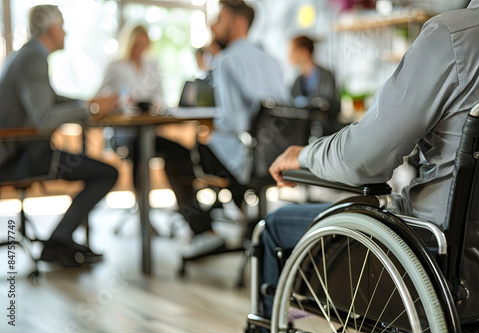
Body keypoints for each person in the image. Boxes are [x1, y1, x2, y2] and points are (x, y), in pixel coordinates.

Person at [260, 0, 479, 321]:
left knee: (273, 226)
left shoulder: (454, 36)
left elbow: (364, 158)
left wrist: (305, 155)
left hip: (434, 264)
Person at [161, 0, 290, 257]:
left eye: (220, 18)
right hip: (278, 156)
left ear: (239, 23)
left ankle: (204, 232)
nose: (212, 24)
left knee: (172, 154)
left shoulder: (226, 60)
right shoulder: (272, 60)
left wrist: (209, 130)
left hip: (244, 160)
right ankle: (245, 220)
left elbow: (232, 123)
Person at [0, 5, 119, 267]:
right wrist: (92, 108)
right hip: (22, 157)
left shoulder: (25, 55)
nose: (65, 33)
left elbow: (51, 98)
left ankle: (60, 241)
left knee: (99, 170)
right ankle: (58, 241)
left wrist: (88, 102)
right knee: (107, 173)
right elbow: (44, 119)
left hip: (23, 151)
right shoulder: (33, 59)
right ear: (53, 29)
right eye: (63, 27)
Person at [98, 24, 164, 187]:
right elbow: (99, 97)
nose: (140, 49)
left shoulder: (152, 65)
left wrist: (154, 104)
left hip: (148, 128)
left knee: (173, 150)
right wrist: (120, 101)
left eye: (144, 44)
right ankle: (141, 206)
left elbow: (160, 96)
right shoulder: (115, 66)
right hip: (123, 130)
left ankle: (178, 205)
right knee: (140, 149)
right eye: (136, 45)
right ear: (129, 43)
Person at [289, 35, 342, 135]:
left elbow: (328, 103)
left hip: (326, 130)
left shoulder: (326, 75)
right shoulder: (297, 80)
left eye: (292, 52)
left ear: (303, 52)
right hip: (304, 131)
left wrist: (306, 103)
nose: (289, 56)